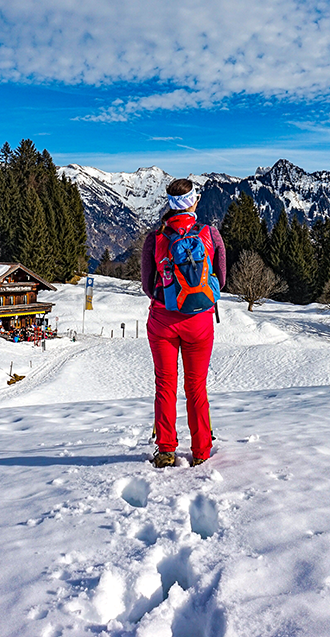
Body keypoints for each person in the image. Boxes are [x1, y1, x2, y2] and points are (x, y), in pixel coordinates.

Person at [141, 179, 226, 468]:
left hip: (164, 322)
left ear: (169, 204)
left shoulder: (155, 238)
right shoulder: (210, 234)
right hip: (199, 323)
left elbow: (147, 286)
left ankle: (166, 449)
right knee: (196, 386)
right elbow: (221, 280)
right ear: (194, 202)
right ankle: (202, 449)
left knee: (165, 385)